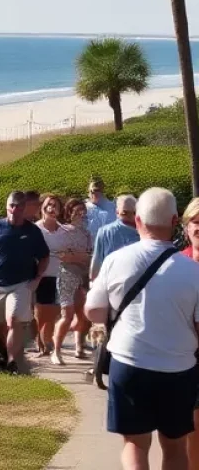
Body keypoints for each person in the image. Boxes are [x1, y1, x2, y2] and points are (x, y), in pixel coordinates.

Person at [85, 187, 199, 470]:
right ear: (175, 221)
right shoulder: (193, 271)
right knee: (175, 447)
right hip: (179, 369)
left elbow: (93, 310)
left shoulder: (116, 260)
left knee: (135, 445)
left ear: (137, 220)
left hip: (129, 364)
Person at [0, 191, 50, 373]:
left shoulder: (32, 231)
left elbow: (44, 257)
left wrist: (37, 278)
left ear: (24, 208)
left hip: (21, 284)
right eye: (11, 206)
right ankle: (5, 355)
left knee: (13, 320)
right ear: (7, 207)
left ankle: (12, 362)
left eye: (19, 206)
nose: (14, 210)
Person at [53, 197, 93, 363]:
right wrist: (80, 257)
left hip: (82, 276)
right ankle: (56, 351)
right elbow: (62, 255)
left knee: (83, 315)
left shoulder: (86, 233)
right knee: (67, 316)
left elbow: (90, 255)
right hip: (66, 276)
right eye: (77, 211)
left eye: (83, 211)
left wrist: (79, 256)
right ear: (69, 213)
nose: (81, 214)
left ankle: (78, 347)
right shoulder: (63, 231)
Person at [179, 199, 199, 470]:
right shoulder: (176, 264)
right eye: (196, 221)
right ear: (186, 228)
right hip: (185, 355)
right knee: (192, 426)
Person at [34, 194, 65, 357]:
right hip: (42, 275)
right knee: (41, 312)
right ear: (42, 208)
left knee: (54, 312)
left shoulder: (64, 230)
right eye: (48, 205)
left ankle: (47, 342)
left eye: (55, 206)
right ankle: (41, 343)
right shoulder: (36, 229)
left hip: (60, 274)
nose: (52, 208)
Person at [91, 195, 140, 280]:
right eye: (125, 213)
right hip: (113, 280)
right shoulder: (104, 232)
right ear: (117, 212)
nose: (130, 216)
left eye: (133, 213)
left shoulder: (144, 232)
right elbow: (97, 263)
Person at [86, 177, 117, 242]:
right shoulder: (84, 208)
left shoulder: (112, 207)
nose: (94, 193)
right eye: (91, 191)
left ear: (102, 191)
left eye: (97, 190)